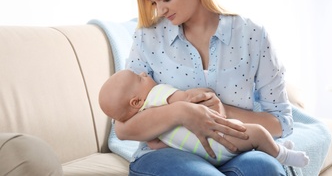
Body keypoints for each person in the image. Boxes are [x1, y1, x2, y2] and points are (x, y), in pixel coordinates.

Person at [113, 0, 295, 175]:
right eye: (153, 2)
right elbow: (123, 127)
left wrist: (222, 112)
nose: (161, 10)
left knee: (266, 169)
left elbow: (281, 121)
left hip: (236, 151)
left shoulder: (252, 35)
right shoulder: (148, 39)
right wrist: (182, 111)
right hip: (169, 154)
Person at [99, 70, 309, 167]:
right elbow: (189, 97)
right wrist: (203, 96)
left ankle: (274, 149)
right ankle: (281, 154)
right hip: (218, 139)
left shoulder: (149, 125)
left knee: (257, 154)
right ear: (135, 102)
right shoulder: (158, 94)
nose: (144, 73)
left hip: (203, 152)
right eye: (139, 77)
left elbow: (155, 144)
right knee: (258, 133)